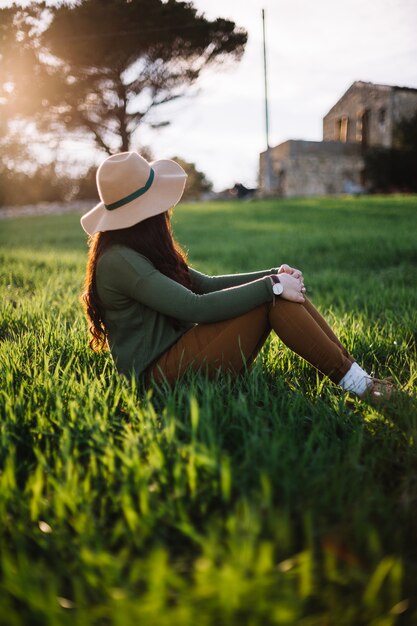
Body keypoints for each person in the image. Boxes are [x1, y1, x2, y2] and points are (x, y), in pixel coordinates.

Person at [81, 151, 392, 403]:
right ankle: (366, 389)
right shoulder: (119, 261)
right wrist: (272, 286)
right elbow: (194, 307)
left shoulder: (138, 248)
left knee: (276, 291)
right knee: (273, 299)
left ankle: (363, 381)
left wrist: (274, 274)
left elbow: (205, 285)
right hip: (157, 381)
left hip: (176, 357)